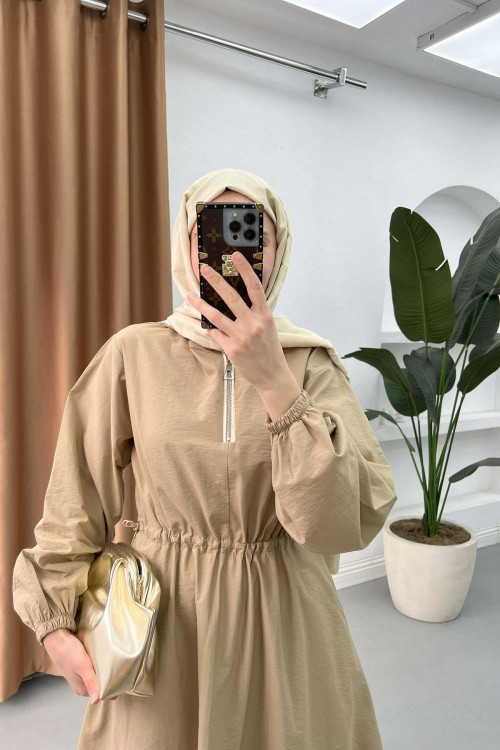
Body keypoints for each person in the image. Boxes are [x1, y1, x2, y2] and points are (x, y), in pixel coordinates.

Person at [12, 167, 398, 750]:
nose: (232, 253)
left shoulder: (310, 364)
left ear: (277, 251)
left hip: (286, 620)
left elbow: (340, 524)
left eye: (253, 232)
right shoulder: (133, 354)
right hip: (161, 620)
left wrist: (275, 382)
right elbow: (75, 495)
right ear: (187, 246)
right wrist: (52, 624)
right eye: (211, 232)